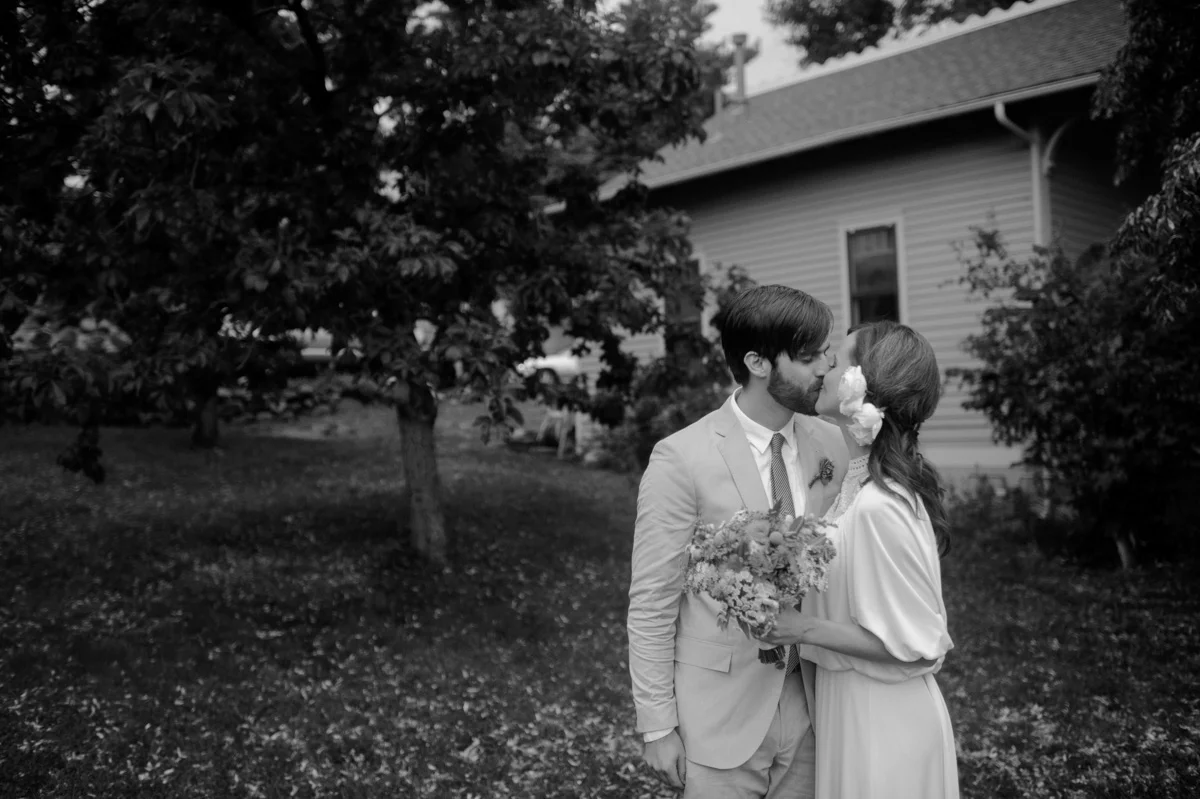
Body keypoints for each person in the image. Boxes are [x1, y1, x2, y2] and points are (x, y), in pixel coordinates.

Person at [627, 285, 849, 798]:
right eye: (809, 356)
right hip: (719, 715)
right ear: (757, 362)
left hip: (817, 704)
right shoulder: (681, 458)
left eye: (826, 351)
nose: (826, 366)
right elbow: (653, 600)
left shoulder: (832, 444)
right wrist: (657, 726)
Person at [761, 320, 960, 799]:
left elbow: (920, 645)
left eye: (837, 360)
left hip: (882, 722)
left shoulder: (879, 505)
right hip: (850, 705)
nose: (823, 367)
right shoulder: (858, 486)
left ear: (864, 387)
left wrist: (801, 628)